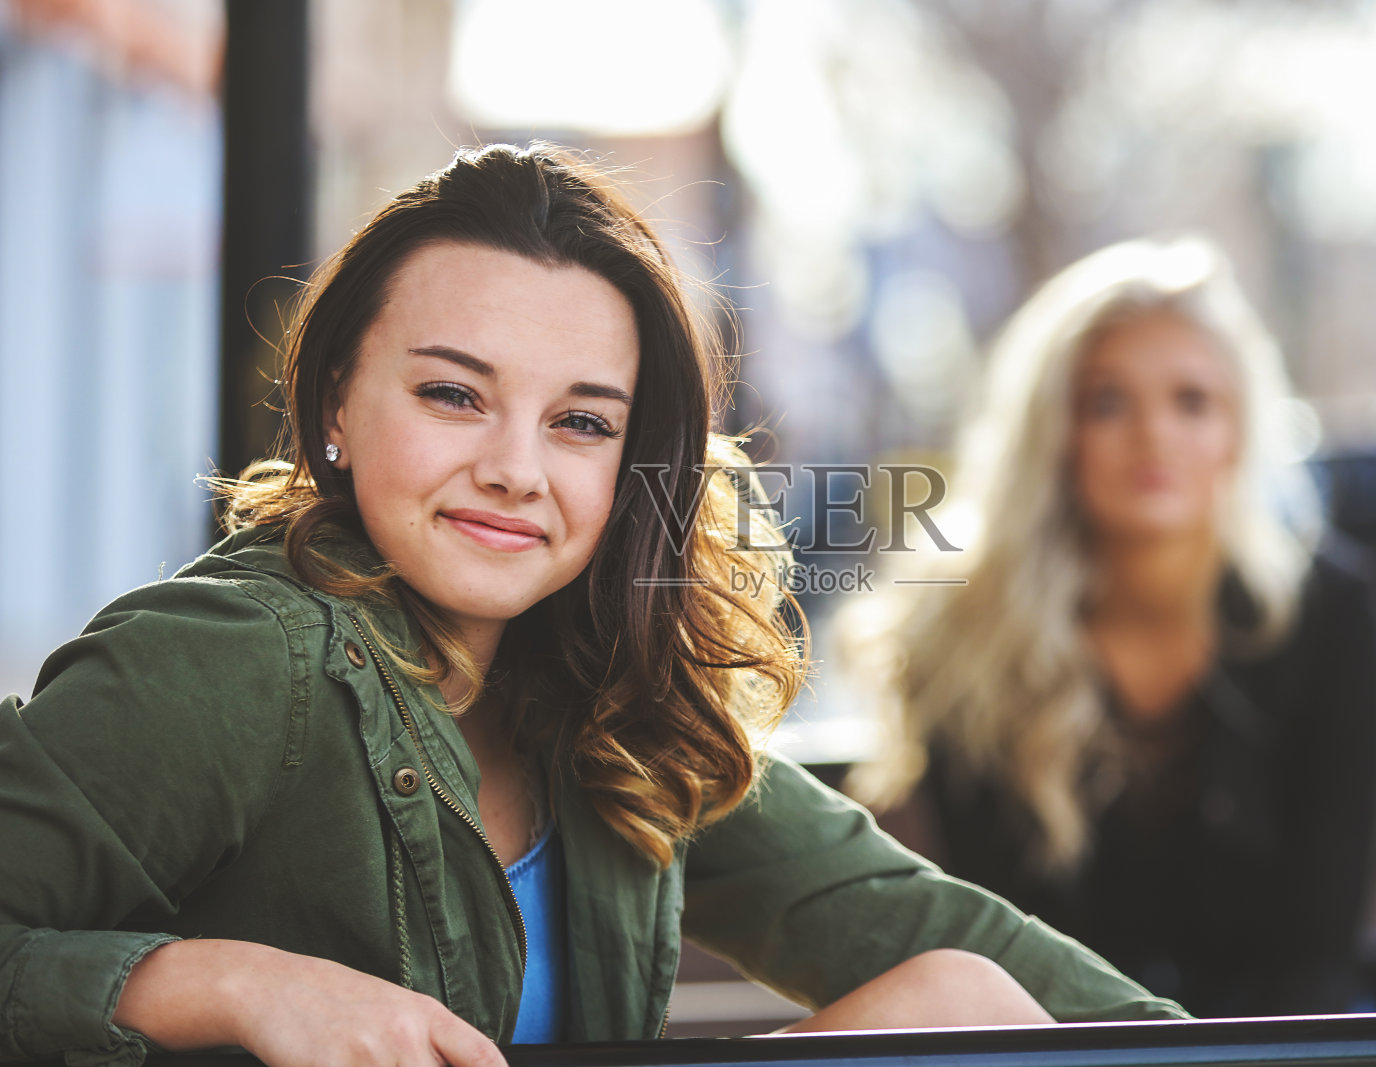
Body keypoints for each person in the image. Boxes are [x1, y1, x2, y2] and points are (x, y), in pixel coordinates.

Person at [0, 144, 1187, 1067]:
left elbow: (913, 923)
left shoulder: (605, 691)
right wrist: (231, 982)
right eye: (454, 394)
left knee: (954, 1000)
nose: (519, 467)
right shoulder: (232, 660)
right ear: (336, 409)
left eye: (580, 422)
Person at [842, 237, 1376, 1018]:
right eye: (1107, 401)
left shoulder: (1330, 610)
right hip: (1057, 1041)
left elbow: (1320, 940)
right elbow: (1008, 943)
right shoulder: (961, 629)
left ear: (1237, 431)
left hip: (1284, 1035)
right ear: (1053, 432)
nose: (1154, 435)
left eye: (1192, 401)